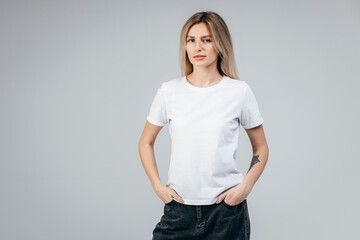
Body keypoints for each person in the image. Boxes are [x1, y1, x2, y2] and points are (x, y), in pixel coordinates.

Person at [138, 11, 269, 240]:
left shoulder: (239, 92)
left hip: (226, 213)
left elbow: (261, 148)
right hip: (179, 210)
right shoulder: (169, 92)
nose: (198, 47)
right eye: (191, 40)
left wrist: (244, 188)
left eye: (206, 40)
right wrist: (158, 187)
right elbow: (145, 142)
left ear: (220, 44)